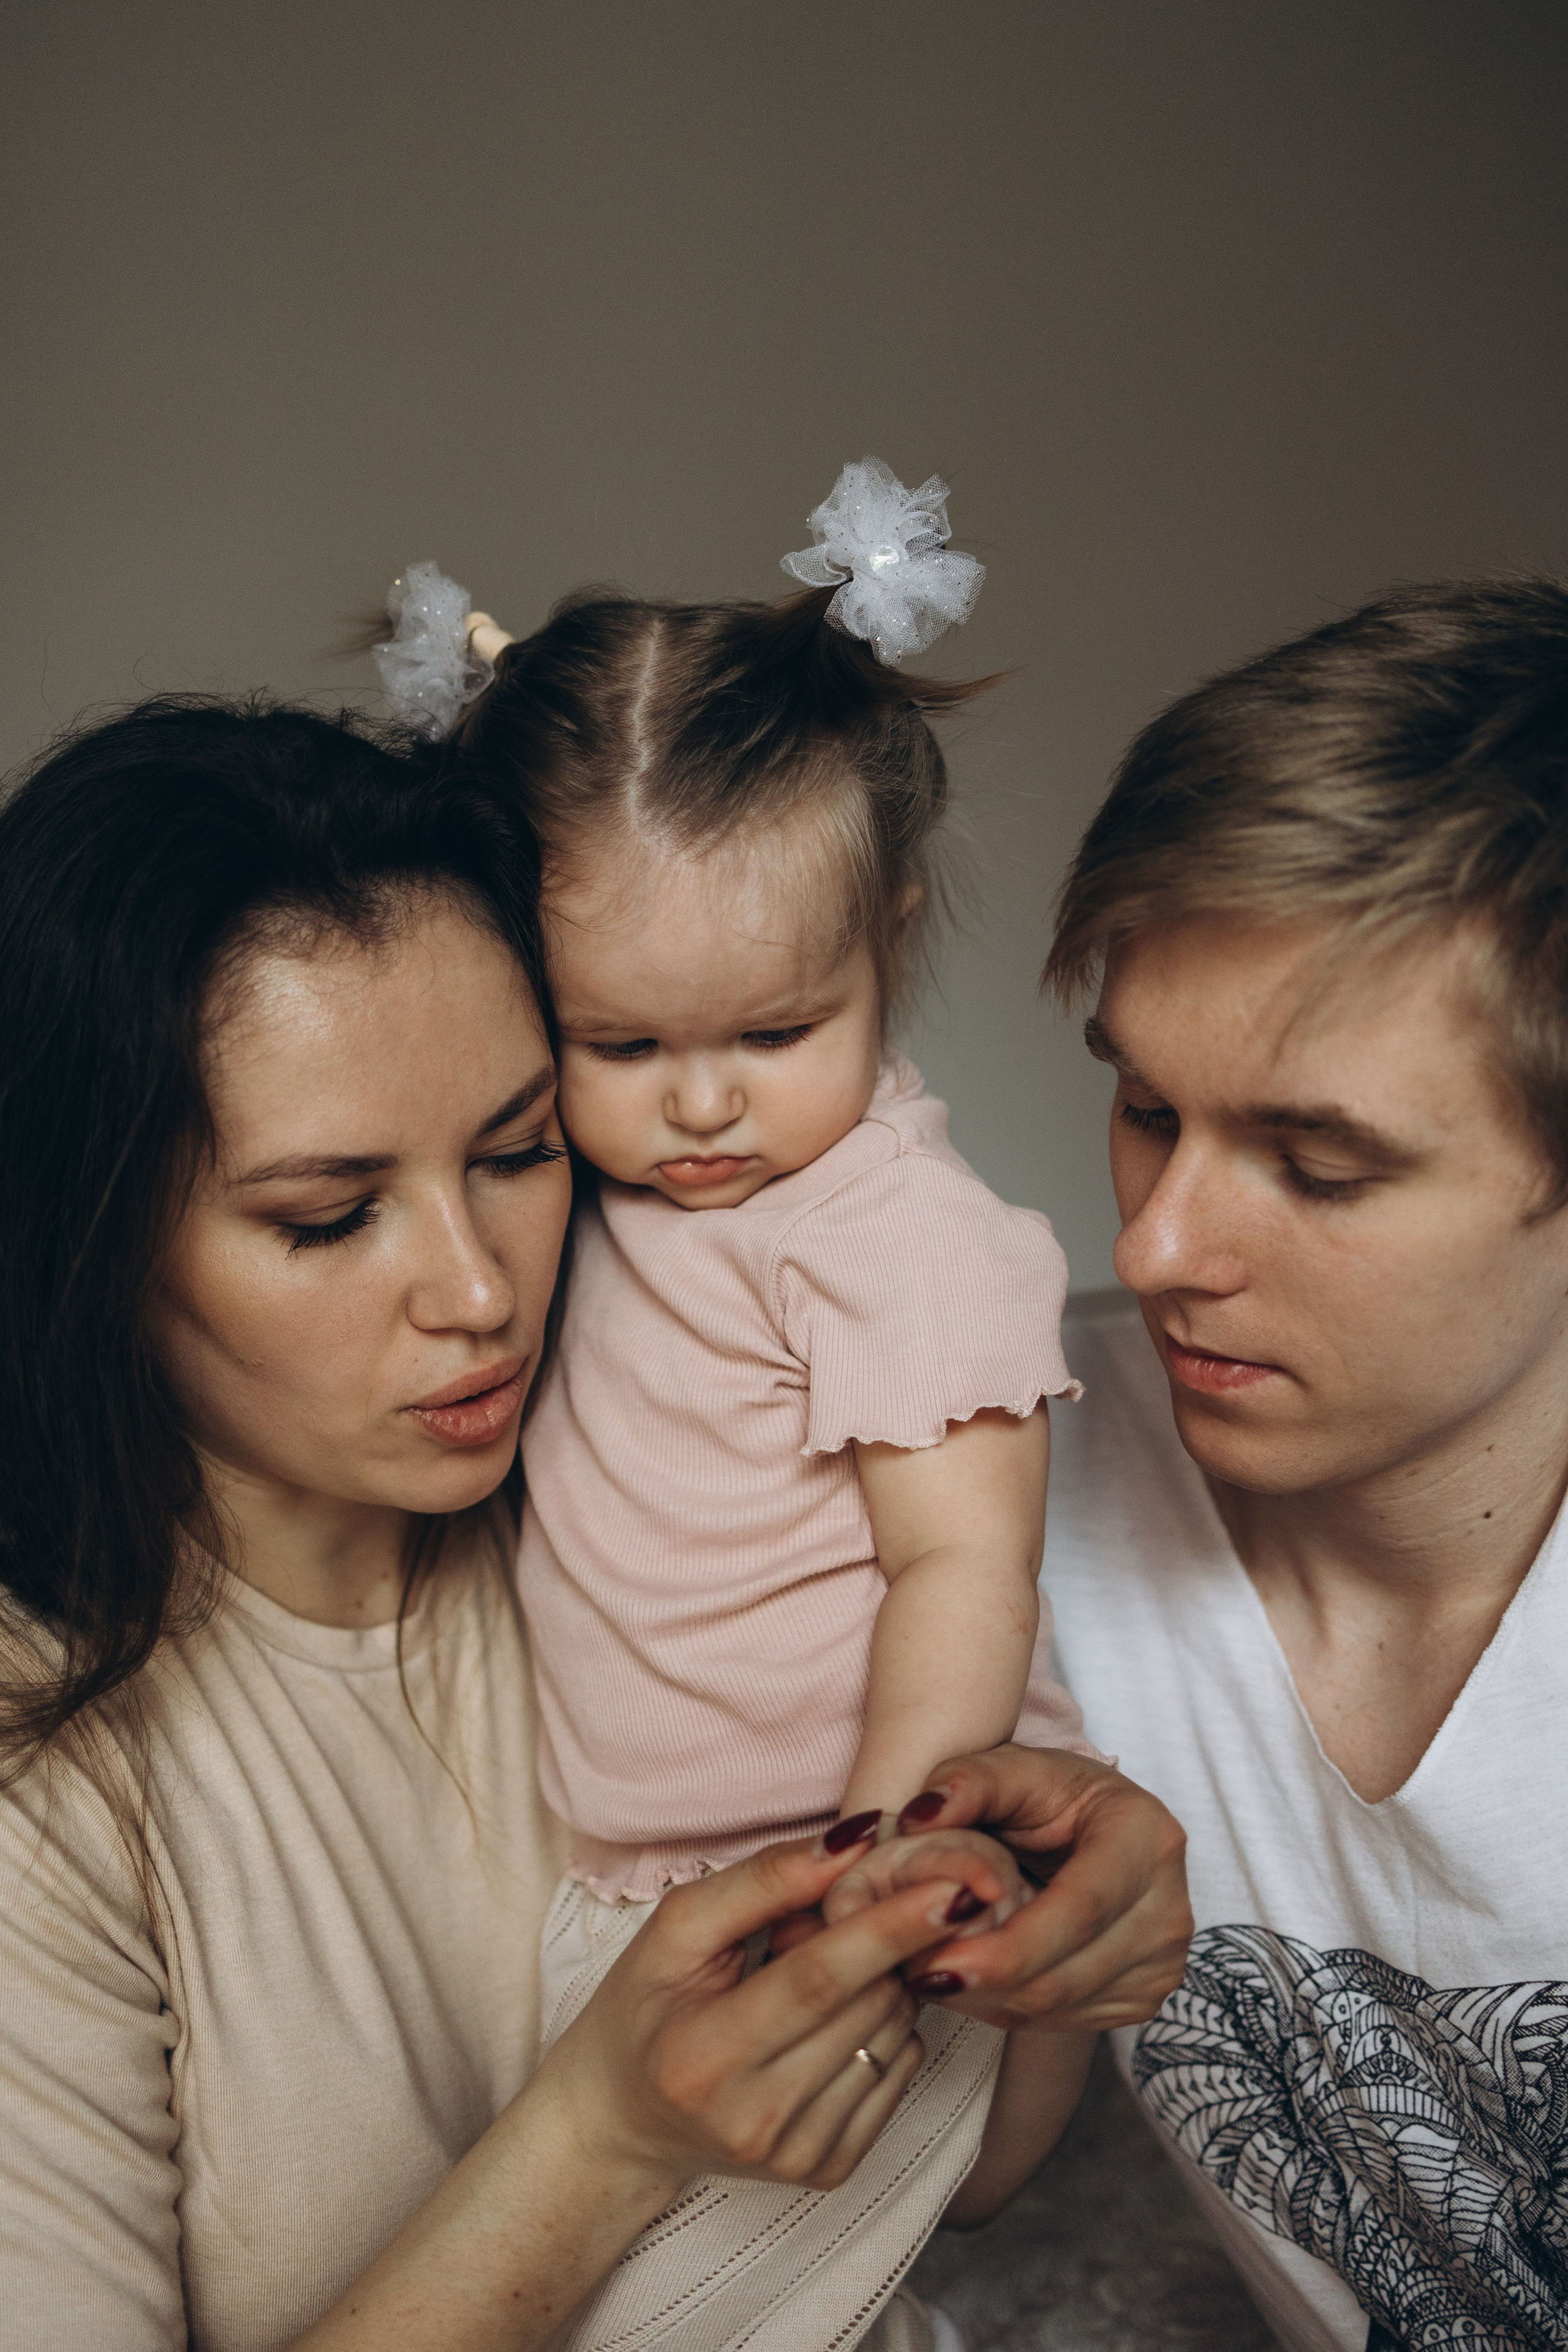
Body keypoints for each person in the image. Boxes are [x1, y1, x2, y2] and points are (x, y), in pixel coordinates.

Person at [0, 693, 1191, 2352]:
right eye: (331, 1217)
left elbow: (960, 2184)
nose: (481, 1292)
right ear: (90, 1243)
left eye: (521, 1149)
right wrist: (601, 2140)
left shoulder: (661, 1503)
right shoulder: (47, 1791)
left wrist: (1046, 1941)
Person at [371, 461, 1098, 2327]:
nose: (701, 1107)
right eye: (622, 1043)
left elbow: (963, 1578)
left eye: (776, 1036)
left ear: (889, 942)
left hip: (849, 1853)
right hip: (640, 1868)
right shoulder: (571, 1195)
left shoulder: (892, 1230)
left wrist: (883, 1861)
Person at [927, 578, 1568, 2351]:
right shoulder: (993, 1490)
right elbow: (961, 2178)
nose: (1152, 1249)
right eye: (1145, 1109)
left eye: (1318, 1162)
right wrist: (1050, 1957)